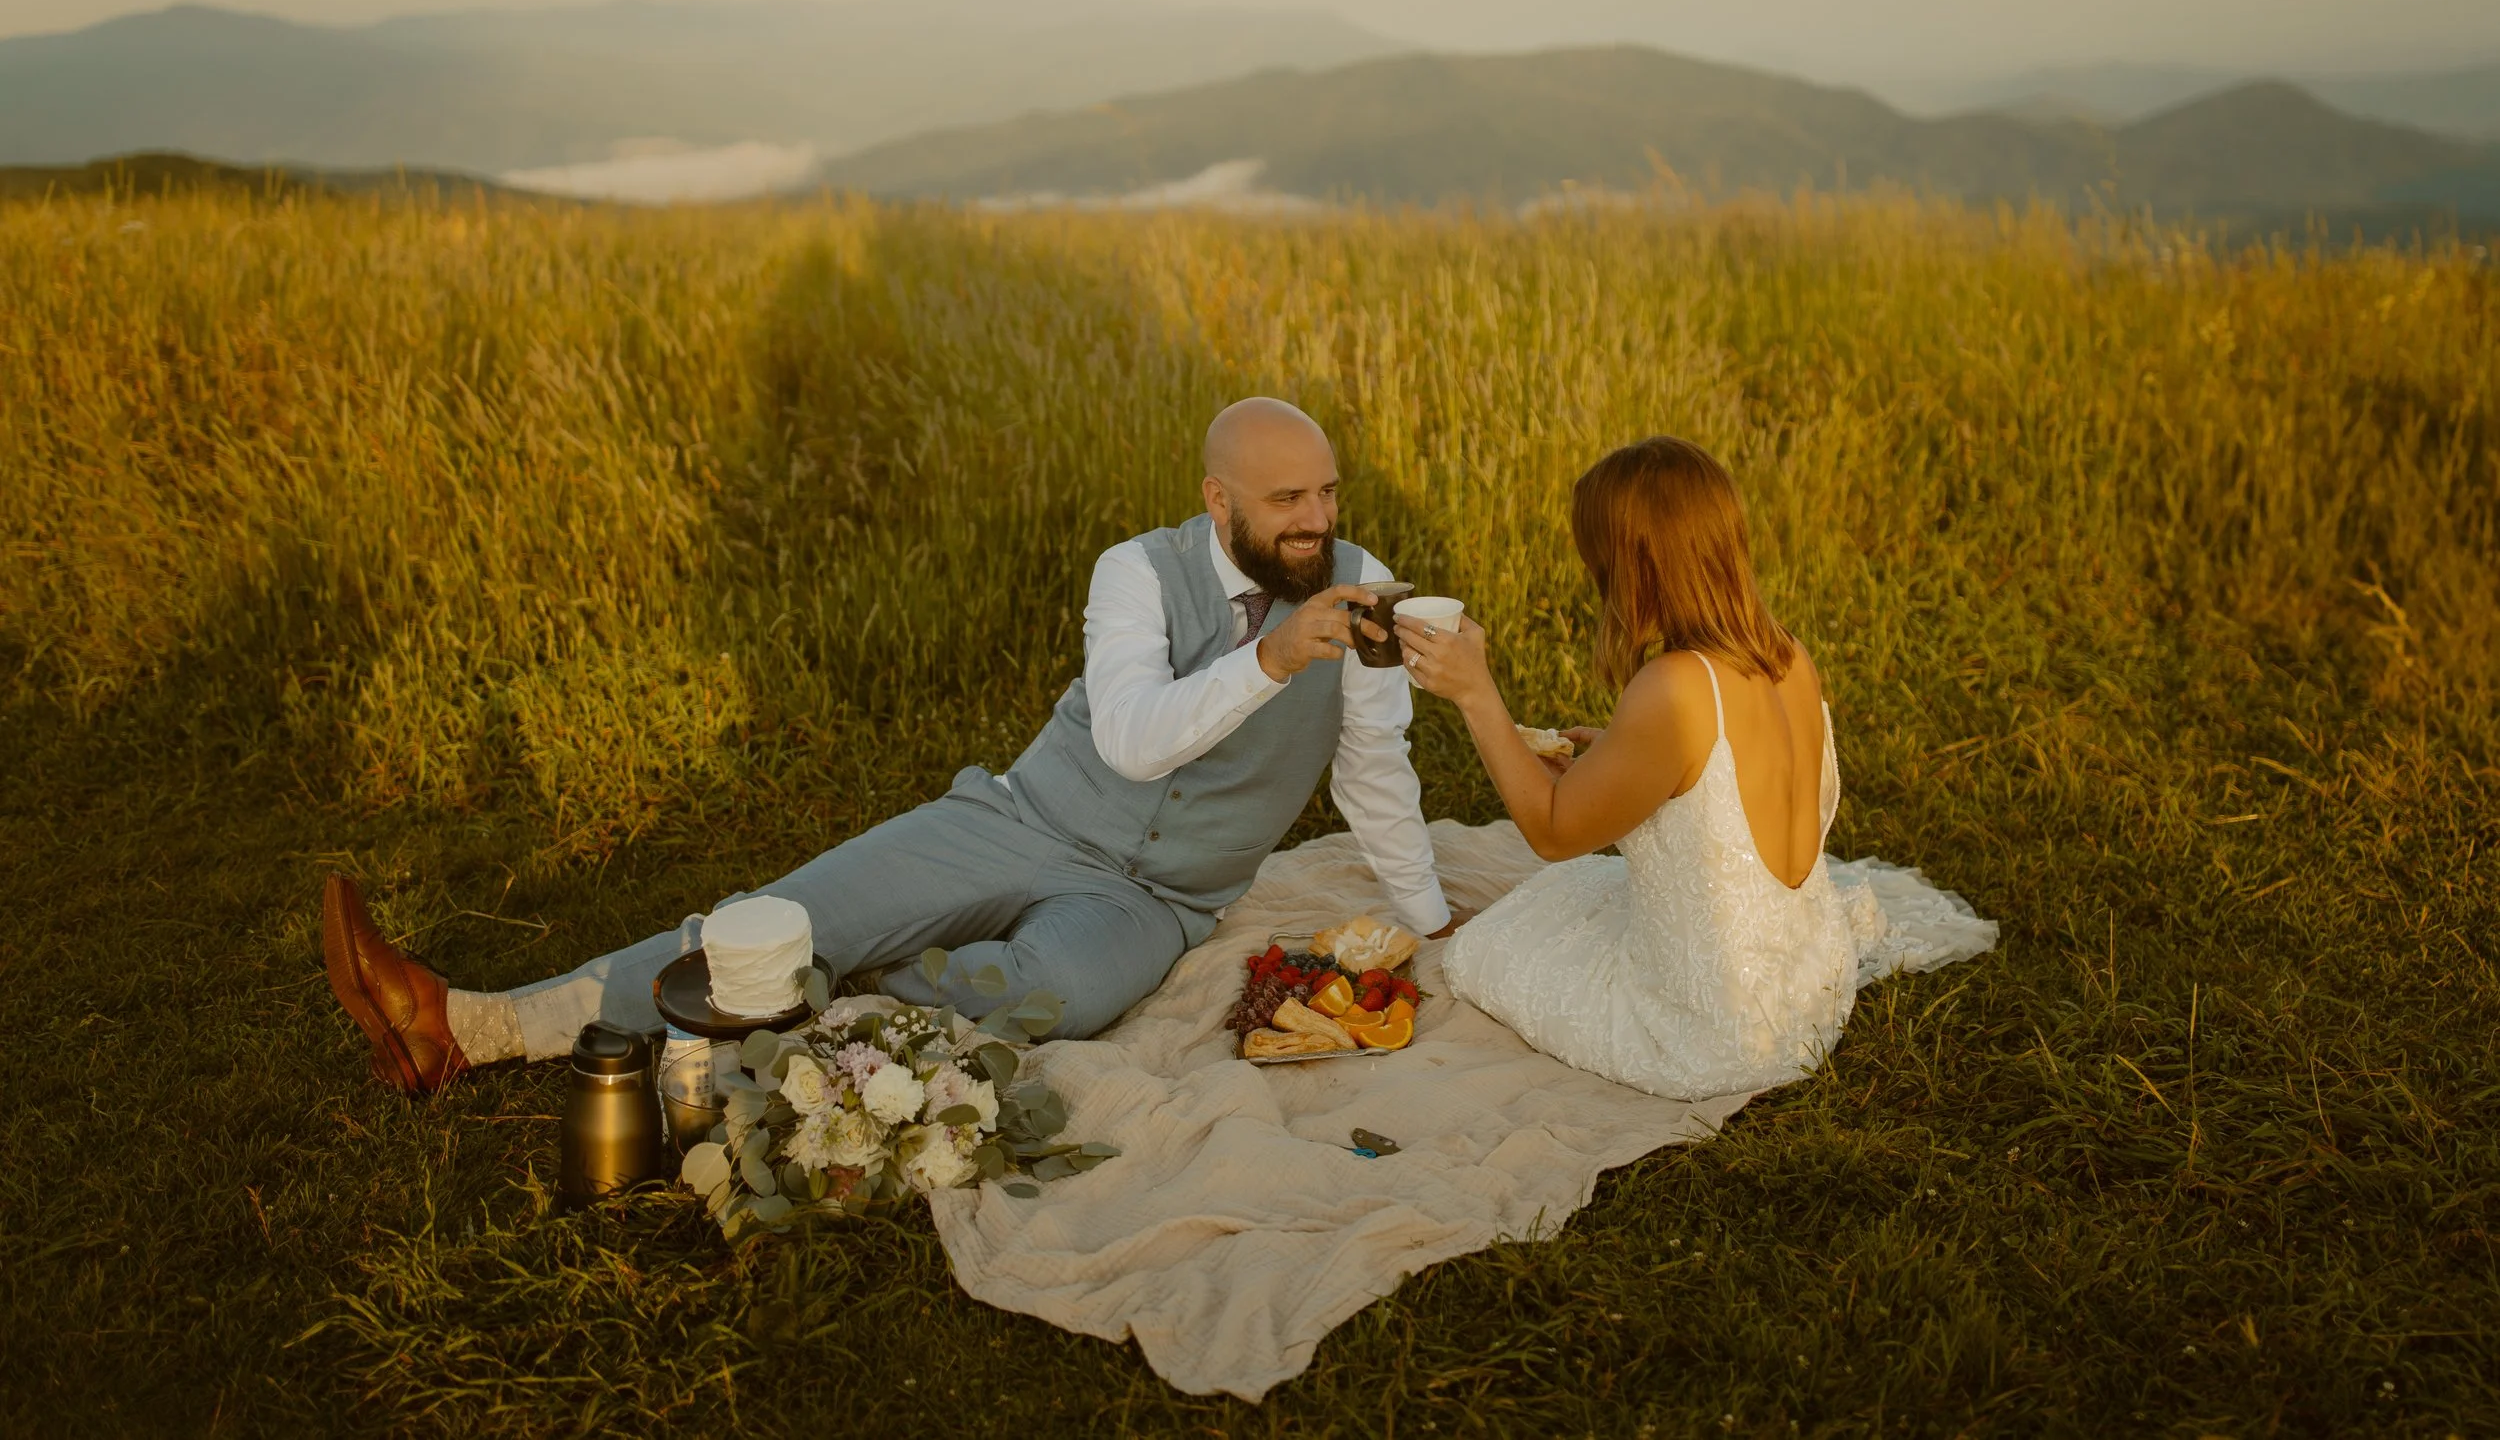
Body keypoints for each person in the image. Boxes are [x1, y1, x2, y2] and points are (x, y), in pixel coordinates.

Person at [325, 397, 1451, 1093]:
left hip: (1155, 900)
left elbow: (1373, 773)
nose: (1317, 518)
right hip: (1022, 820)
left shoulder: (1360, 591)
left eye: (1328, 491)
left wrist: (1430, 923)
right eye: (1288, 496)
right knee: (783, 914)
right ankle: (471, 1023)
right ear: (1218, 500)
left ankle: (838, 984)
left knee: (1059, 994)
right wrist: (1267, 658)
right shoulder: (1134, 571)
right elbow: (1130, 737)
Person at [1396, 435, 1994, 1101]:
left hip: (1713, 1032)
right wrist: (1616, 756)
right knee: (1564, 906)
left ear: (1634, 565)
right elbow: (1714, 787)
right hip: (1810, 987)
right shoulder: (1787, 654)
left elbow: (1553, 834)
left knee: (1488, 948)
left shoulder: (1674, 687)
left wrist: (1476, 694)